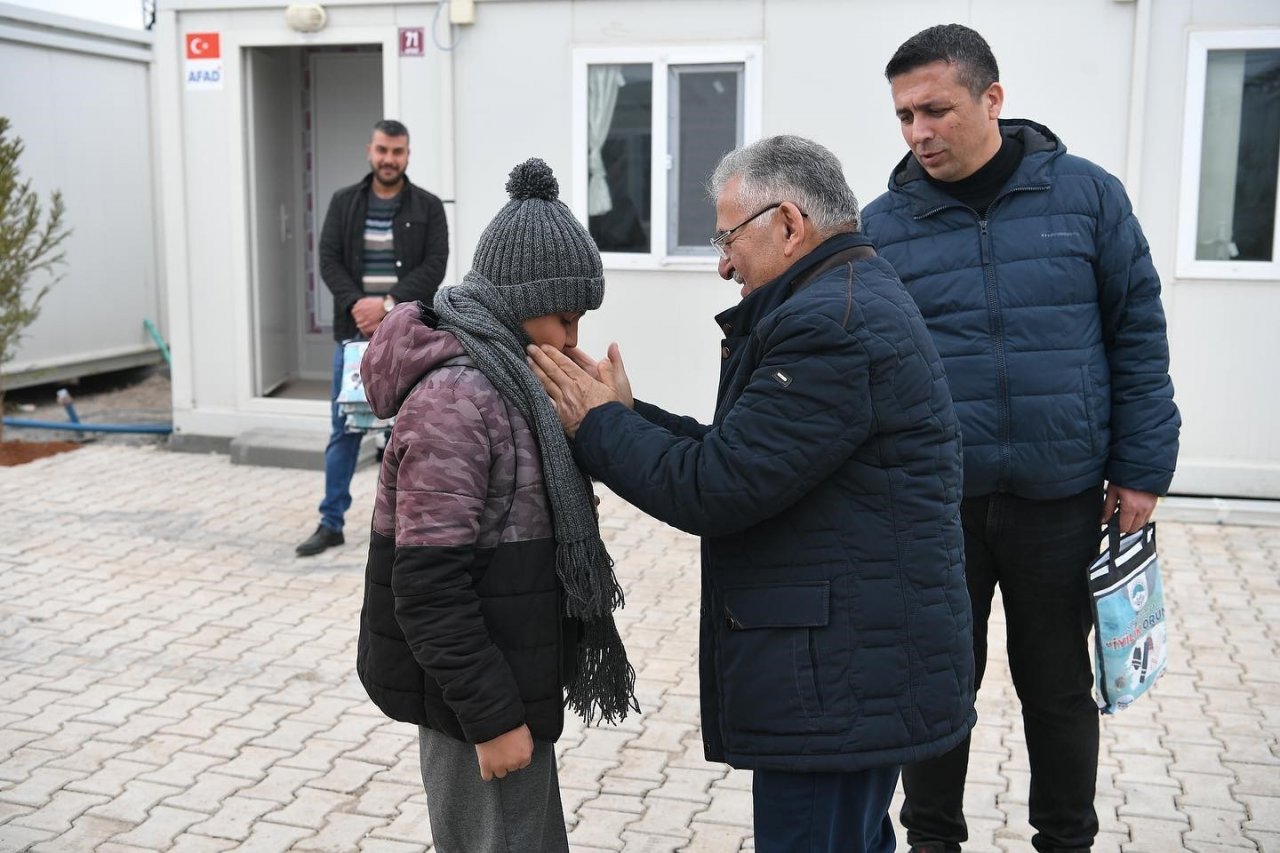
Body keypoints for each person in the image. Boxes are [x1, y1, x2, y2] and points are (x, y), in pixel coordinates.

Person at [528, 135, 975, 853]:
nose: (723, 261)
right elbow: (740, 449)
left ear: (790, 223)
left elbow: (717, 487)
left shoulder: (830, 324)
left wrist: (599, 427)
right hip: (853, 669)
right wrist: (625, 414)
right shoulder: (842, 296)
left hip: (838, 681)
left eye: (729, 236)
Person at [860, 24, 1181, 853]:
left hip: (1060, 495)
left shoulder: (1087, 197)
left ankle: (1066, 839)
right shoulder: (882, 228)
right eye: (903, 116)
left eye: (935, 109)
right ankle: (931, 841)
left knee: (1059, 688)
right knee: (935, 688)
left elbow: (1137, 334)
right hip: (936, 506)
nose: (918, 132)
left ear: (991, 99)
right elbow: (862, 365)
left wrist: (1140, 470)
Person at [355, 158, 636, 852]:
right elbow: (426, 585)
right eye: (564, 315)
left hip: (506, 682)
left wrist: (614, 420)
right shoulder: (460, 397)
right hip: (478, 700)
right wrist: (492, 717)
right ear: (515, 302)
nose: (572, 336)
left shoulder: (511, 382)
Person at [295, 119, 449, 557]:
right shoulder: (345, 204)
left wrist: (387, 305)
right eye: (382, 150)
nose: (388, 159)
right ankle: (331, 523)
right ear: (370, 150)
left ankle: (402, 527)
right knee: (344, 429)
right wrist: (358, 306)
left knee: (403, 430)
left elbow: (435, 265)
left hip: (408, 338)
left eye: (397, 152)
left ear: (407, 155)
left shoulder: (428, 207)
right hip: (354, 337)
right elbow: (327, 259)